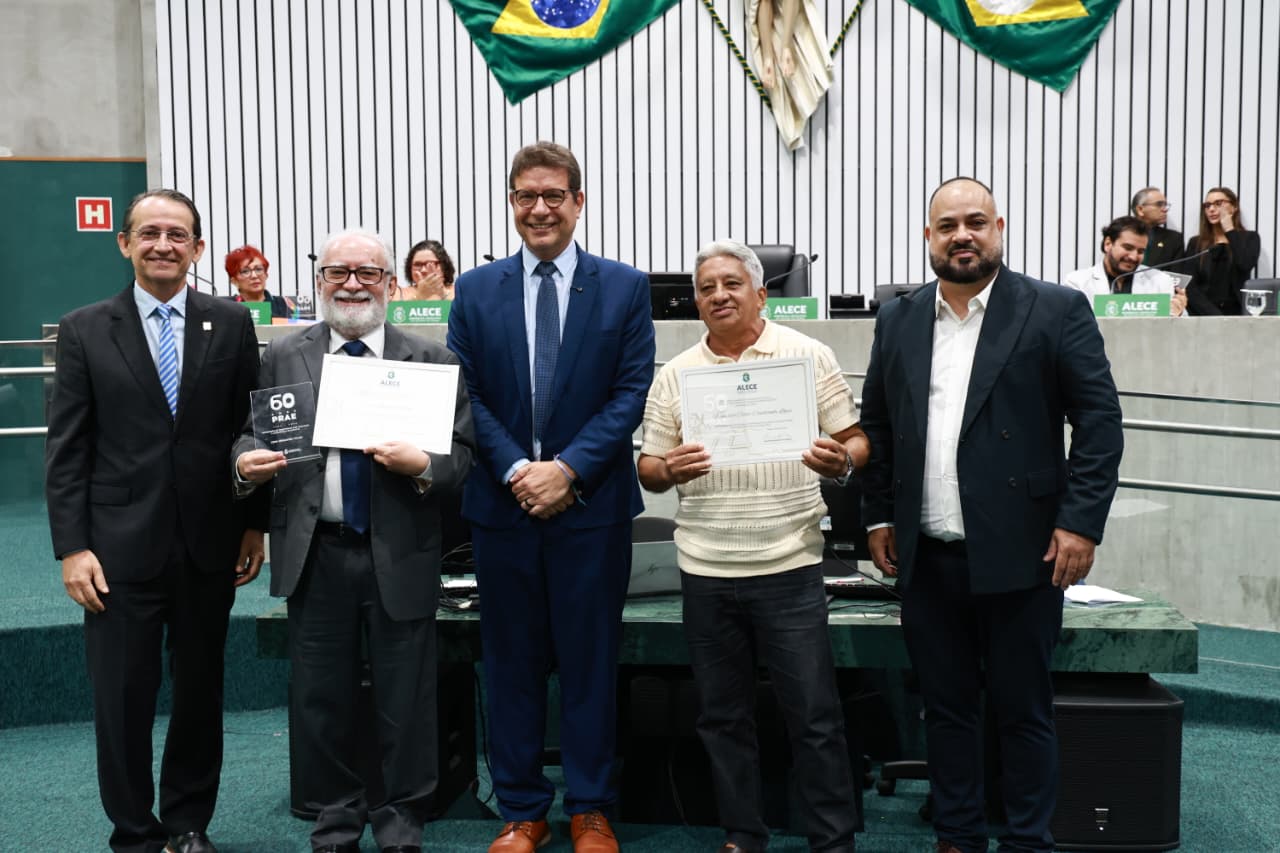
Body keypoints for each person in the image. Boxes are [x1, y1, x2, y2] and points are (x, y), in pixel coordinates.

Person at [859, 178, 1124, 853]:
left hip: (1026, 549)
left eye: (975, 222)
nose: (962, 235)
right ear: (928, 237)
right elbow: (879, 427)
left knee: (1022, 710)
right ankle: (957, 836)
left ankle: (1028, 840)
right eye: (946, 225)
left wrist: (1081, 522)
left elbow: (1097, 422)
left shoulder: (1054, 309)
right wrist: (879, 518)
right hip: (929, 555)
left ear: (999, 227)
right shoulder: (899, 318)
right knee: (945, 711)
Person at [231, 228, 475, 853]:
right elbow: (249, 433)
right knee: (322, 696)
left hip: (400, 551)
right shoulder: (284, 356)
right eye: (338, 273)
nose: (352, 284)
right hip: (317, 551)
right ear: (320, 283)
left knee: (407, 695)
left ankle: (401, 817)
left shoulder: (433, 361)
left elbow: (463, 459)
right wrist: (245, 462)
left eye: (368, 273)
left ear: (390, 285)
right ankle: (334, 814)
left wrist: (422, 463)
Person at [446, 141, 655, 853]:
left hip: (591, 508)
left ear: (578, 201)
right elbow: (466, 393)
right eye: (525, 196)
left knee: (591, 658)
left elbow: (630, 392)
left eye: (553, 195)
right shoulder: (475, 289)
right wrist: (516, 470)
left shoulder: (624, 287)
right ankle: (523, 808)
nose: (539, 208)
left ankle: (592, 806)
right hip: (502, 508)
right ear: (512, 204)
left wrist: (566, 469)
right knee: (510, 660)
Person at [45, 188, 266, 853]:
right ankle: (135, 832)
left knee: (200, 693)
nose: (163, 245)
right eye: (149, 233)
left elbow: (248, 426)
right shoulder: (84, 328)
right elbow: (67, 447)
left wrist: (253, 523)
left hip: (210, 543)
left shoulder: (230, 323)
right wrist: (72, 547)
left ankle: (187, 822)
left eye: (177, 234)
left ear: (198, 247)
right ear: (124, 243)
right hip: (115, 551)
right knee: (123, 700)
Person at [637, 239, 867, 853]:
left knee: (814, 717)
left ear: (761, 294)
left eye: (731, 284)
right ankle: (743, 834)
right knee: (722, 719)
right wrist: (669, 470)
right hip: (706, 570)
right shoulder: (677, 374)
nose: (718, 295)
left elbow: (856, 439)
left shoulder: (807, 356)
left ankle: (833, 839)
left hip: (789, 563)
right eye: (707, 287)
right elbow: (649, 466)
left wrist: (840, 460)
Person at [1063, 216, 1187, 316]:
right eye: (1128, 248)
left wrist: (1178, 315)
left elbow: (1182, 333)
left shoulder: (1161, 281)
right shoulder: (1077, 282)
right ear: (1108, 244)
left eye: (1140, 251)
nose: (1133, 257)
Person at [1183, 186, 1262, 315]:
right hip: (1203, 314)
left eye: (1218, 203)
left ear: (1234, 207)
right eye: (1207, 205)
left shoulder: (1250, 238)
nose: (1211, 209)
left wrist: (1229, 229)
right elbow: (1190, 286)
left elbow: (1245, 264)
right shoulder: (1196, 243)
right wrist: (1214, 315)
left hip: (1237, 313)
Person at [224, 244, 292, 317]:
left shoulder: (284, 304)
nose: (254, 275)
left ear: (266, 275)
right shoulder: (228, 308)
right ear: (234, 281)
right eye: (245, 271)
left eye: (258, 269)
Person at [1130, 186, 1183, 268]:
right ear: (1140, 209)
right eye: (1159, 204)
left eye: (1165, 205)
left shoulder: (1174, 239)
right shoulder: (1121, 234)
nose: (1165, 209)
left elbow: (1177, 276)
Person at [392, 239, 456, 301]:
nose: (423, 270)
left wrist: (443, 294)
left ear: (444, 266)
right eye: (417, 265)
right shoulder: (398, 293)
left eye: (430, 264)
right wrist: (419, 296)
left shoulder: (459, 292)